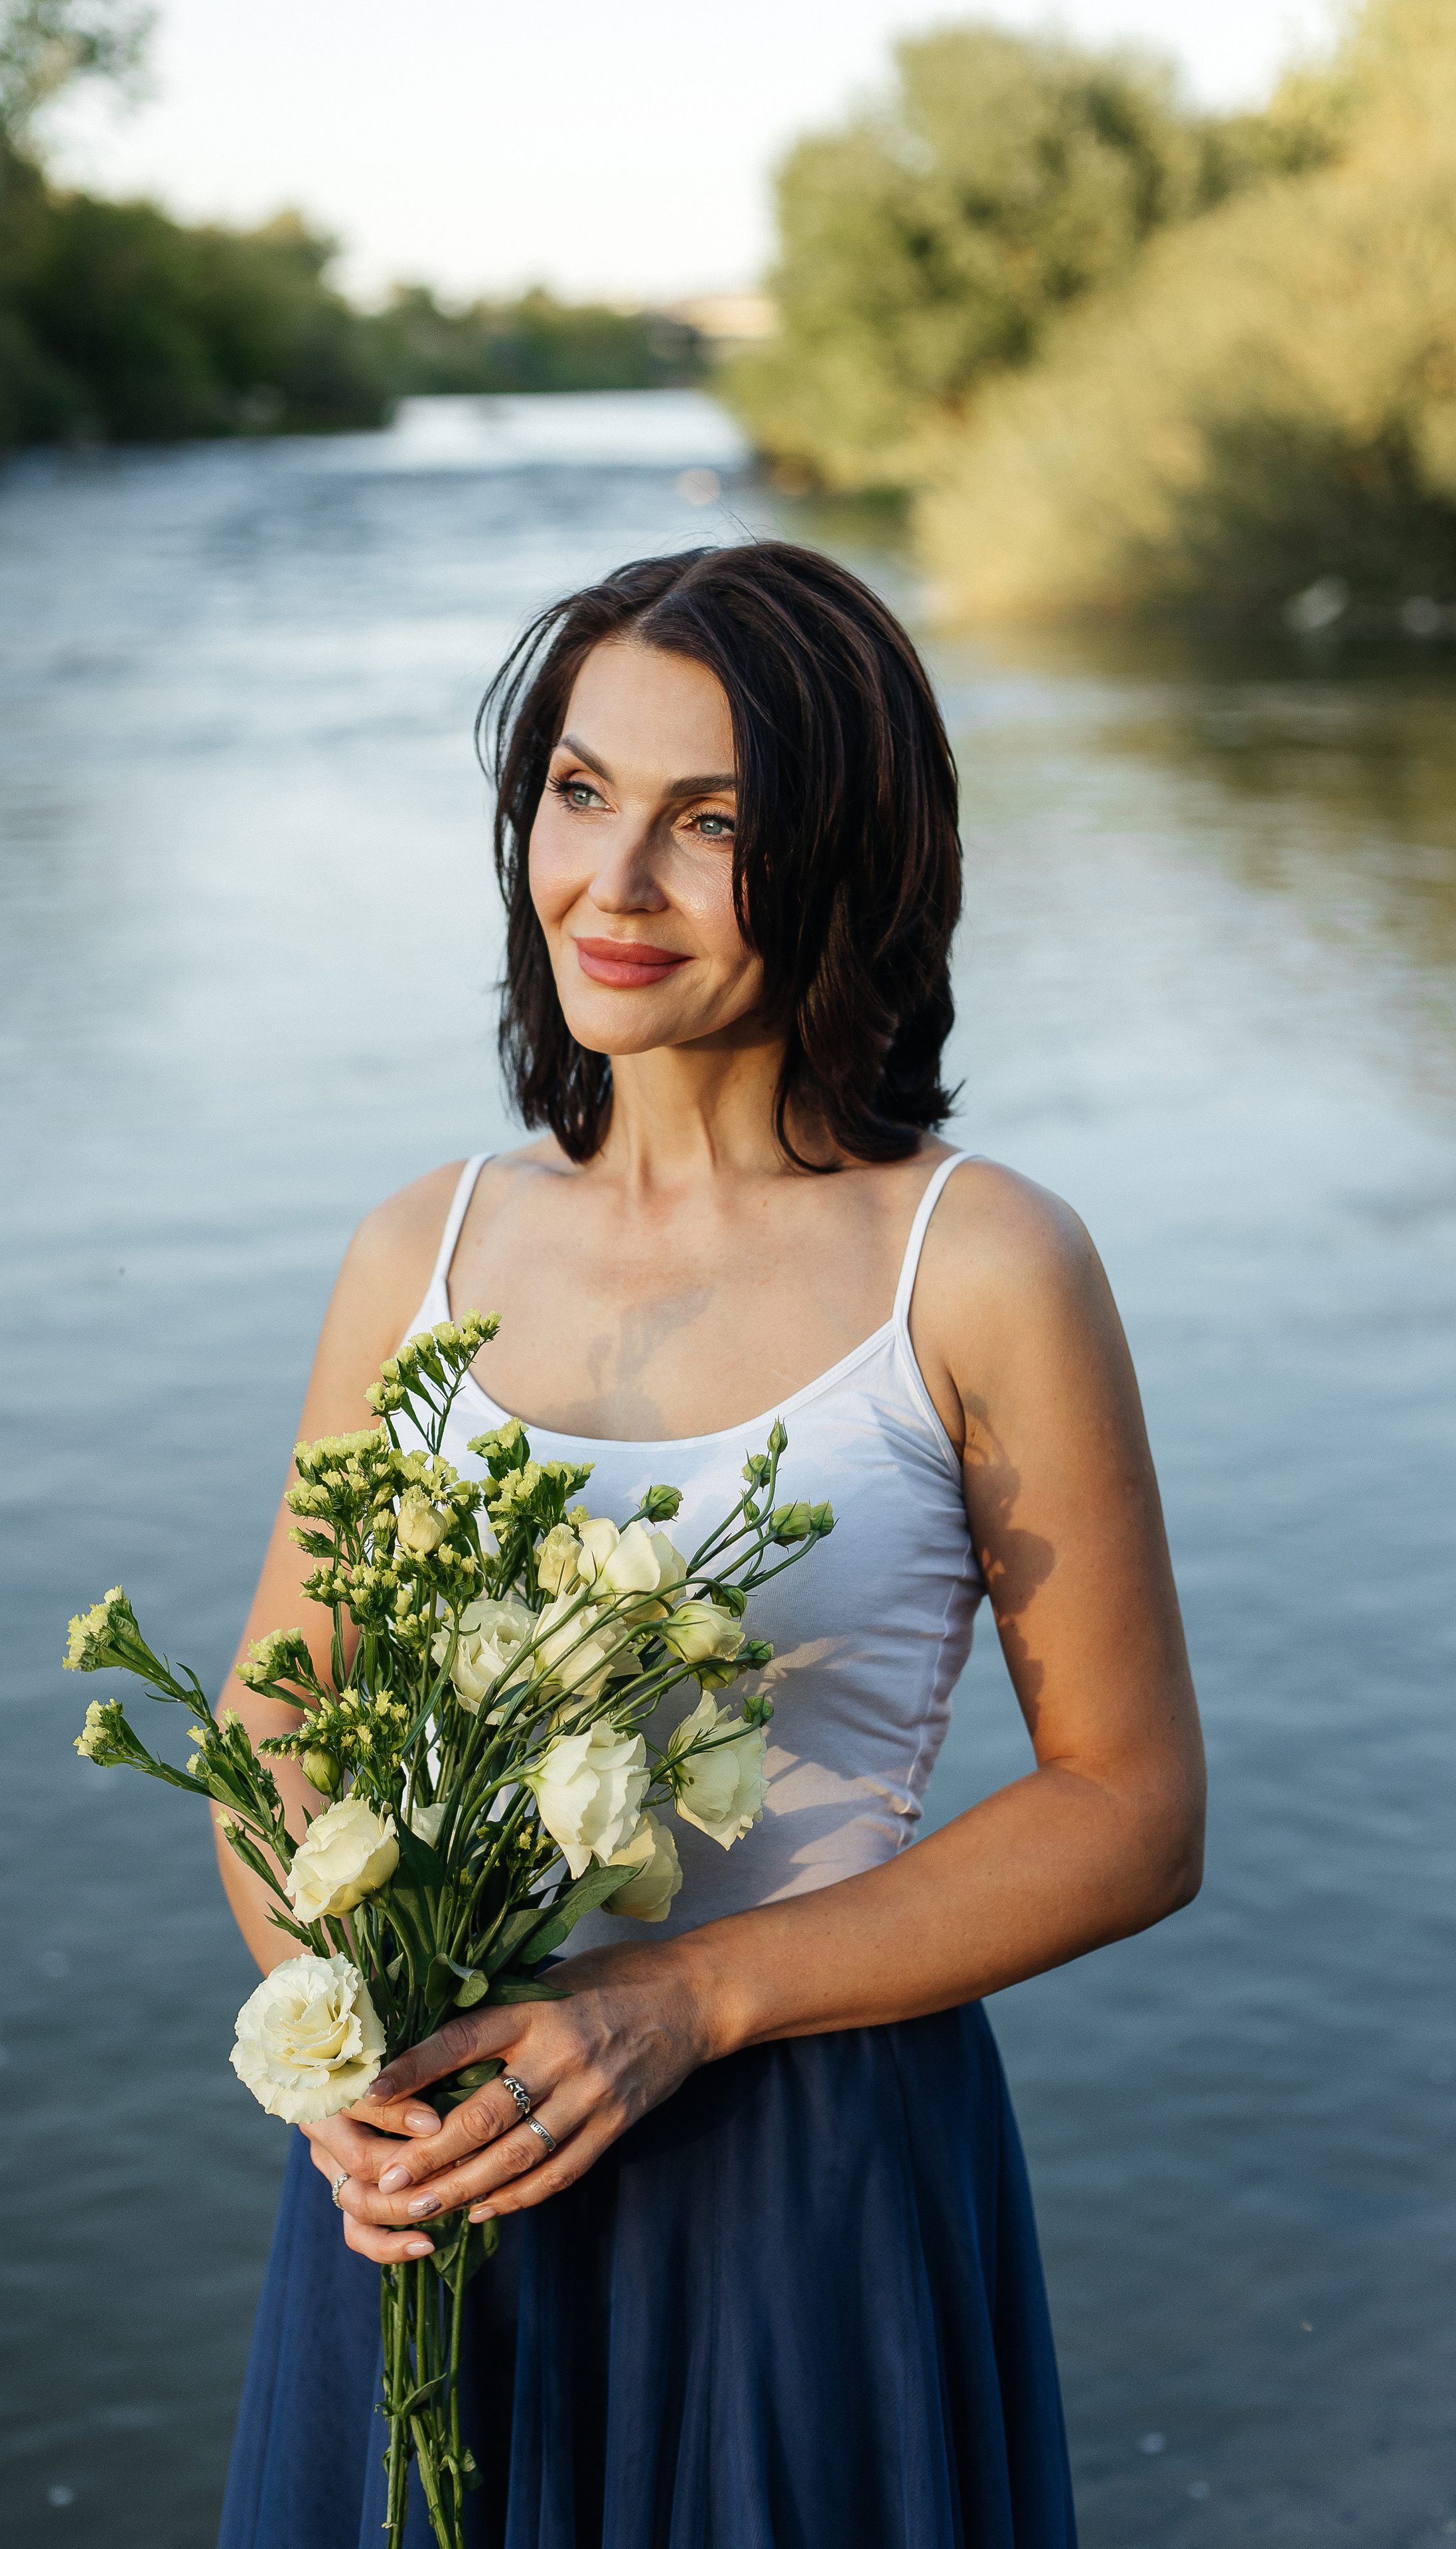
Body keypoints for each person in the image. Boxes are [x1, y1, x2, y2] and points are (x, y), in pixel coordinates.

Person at [214, 542, 1205, 2549]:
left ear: (850, 853)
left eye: (714, 822)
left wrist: (679, 2003)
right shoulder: (426, 1249)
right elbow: (274, 1716)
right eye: (581, 796)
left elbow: (1129, 1804)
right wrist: (339, 2043)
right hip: (433, 2169)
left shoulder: (980, 1259)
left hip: (809, 2167)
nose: (616, 885)